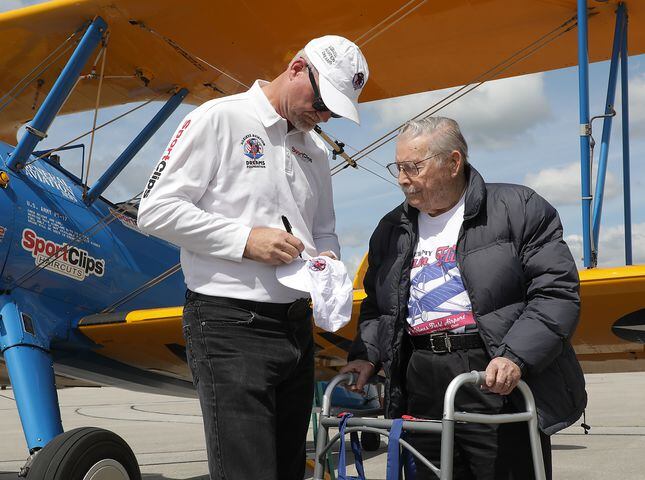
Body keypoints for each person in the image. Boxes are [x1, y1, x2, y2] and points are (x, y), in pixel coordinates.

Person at [137, 35, 369, 480]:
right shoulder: (219, 118)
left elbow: (323, 230)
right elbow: (156, 209)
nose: (323, 116)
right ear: (298, 67)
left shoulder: (315, 149)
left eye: (334, 112)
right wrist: (246, 241)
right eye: (323, 102)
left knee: (287, 470)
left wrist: (327, 263)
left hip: (295, 325)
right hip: (229, 325)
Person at [341, 117, 586, 479]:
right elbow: (381, 306)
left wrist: (515, 356)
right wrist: (366, 356)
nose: (402, 178)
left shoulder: (518, 207)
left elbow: (556, 292)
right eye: (398, 167)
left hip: (493, 375)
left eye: (413, 167)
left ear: (453, 163)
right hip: (421, 378)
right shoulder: (391, 229)